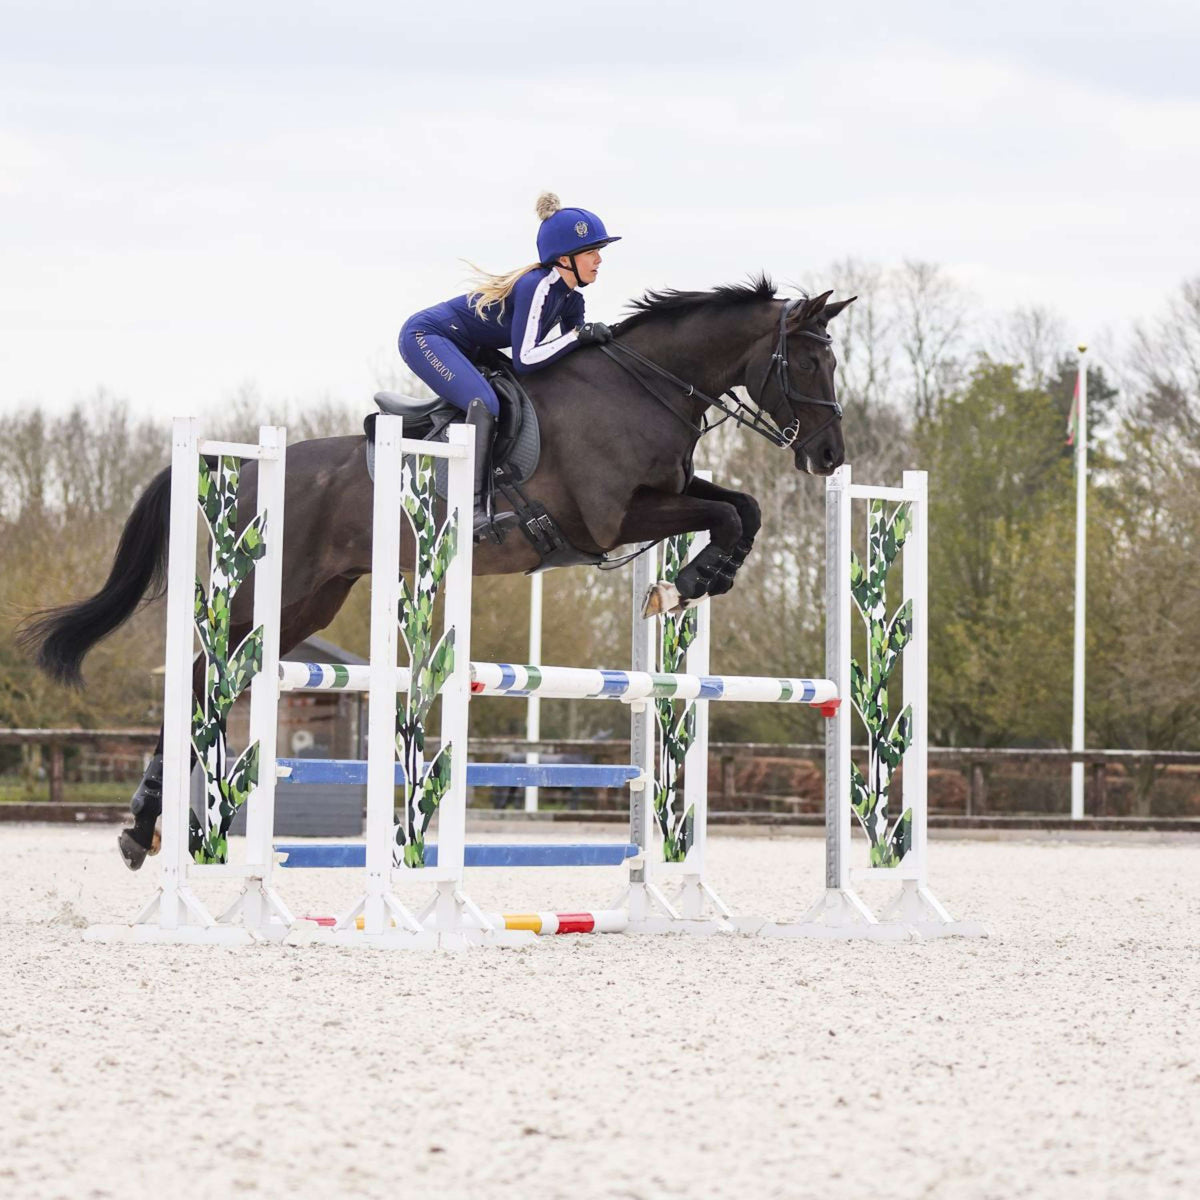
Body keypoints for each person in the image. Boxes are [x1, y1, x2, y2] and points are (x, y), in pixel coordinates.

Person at [398, 192, 620, 541]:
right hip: (427, 336)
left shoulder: (571, 299)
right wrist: (579, 336)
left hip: (468, 346)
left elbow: (570, 358)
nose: (599, 260)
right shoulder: (539, 287)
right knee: (485, 403)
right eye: (591, 252)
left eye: (599, 252)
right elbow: (527, 358)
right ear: (565, 259)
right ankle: (470, 510)